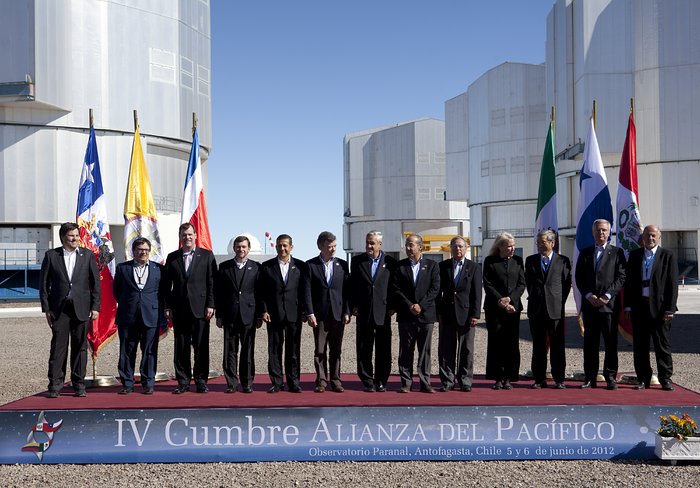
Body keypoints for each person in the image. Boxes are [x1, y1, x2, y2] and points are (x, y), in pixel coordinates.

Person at [40, 222, 101, 398]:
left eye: (76, 235)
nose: (74, 239)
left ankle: (79, 384)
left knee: (80, 347)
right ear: (62, 237)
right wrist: (46, 309)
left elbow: (95, 283)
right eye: (71, 236)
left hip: (82, 309)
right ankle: (55, 385)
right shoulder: (51, 256)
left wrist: (95, 307)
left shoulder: (87, 255)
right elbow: (44, 285)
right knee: (58, 348)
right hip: (59, 310)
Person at [164, 223, 217, 394]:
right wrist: (167, 307)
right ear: (180, 237)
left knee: (201, 346)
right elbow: (166, 286)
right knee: (181, 347)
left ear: (195, 235)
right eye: (184, 235)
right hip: (180, 310)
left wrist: (211, 304)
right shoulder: (172, 258)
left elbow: (212, 283)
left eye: (189, 234)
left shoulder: (207, 256)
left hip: (201, 309)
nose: (187, 237)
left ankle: (201, 380)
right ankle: (183, 381)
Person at [625, 224, 679, 391]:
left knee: (662, 345)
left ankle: (665, 379)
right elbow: (629, 284)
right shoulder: (634, 256)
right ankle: (643, 379)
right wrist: (627, 306)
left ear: (659, 237)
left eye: (653, 236)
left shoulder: (667, 256)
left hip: (660, 309)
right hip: (639, 307)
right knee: (640, 346)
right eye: (647, 235)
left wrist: (670, 309)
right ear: (642, 237)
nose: (650, 238)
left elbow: (672, 284)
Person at [575, 219, 626, 390]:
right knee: (590, 344)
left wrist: (607, 295)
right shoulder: (585, 252)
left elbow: (621, 277)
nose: (601, 233)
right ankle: (590, 378)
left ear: (609, 232)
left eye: (604, 230)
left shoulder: (617, 253)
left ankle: (610, 377)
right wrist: (589, 295)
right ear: (593, 233)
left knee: (611, 343)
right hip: (590, 306)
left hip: (608, 306)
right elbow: (579, 277)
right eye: (598, 230)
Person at [113, 237, 164, 395]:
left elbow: (162, 292)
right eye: (140, 250)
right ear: (133, 252)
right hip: (128, 316)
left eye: (146, 250)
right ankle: (127, 383)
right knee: (127, 350)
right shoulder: (122, 268)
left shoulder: (159, 269)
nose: (143, 253)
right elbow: (117, 292)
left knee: (149, 350)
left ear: (150, 252)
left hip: (151, 315)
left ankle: (148, 382)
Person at [258, 234, 307, 393]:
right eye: (279, 245)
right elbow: (262, 292)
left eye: (285, 245)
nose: (282, 248)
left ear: (291, 247)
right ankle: (277, 382)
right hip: (274, 314)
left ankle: (293, 382)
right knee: (274, 349)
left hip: (294, 313)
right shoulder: (266, 266)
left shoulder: (300, 266)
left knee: (293, 350)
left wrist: (304, 311)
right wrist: (264, 310)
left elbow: (304, 291)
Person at [392, 234, 440, 393]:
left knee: (425, 351)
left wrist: (421, 305)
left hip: (426, 316)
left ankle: (425, 382)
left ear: (420, 247)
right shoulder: (400, 266)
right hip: (406, 315)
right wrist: (410, 305)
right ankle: (406, 382)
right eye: (406, 245)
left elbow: (435, 289)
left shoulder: (432, 266)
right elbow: (396, 289)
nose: (408, 248)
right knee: (405, 350)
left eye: (411, 245)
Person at [524, 230, 571, 389]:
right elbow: (529, 284)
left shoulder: (563, 261)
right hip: (536, 309)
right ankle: (539, 379)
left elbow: (565, 285)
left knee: (558, 346)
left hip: (555, 309)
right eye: (538, 242)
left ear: (552, 243)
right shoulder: (530, 261)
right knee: (538, 346)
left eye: (542, 242)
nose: (539, 245)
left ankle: (559, 379)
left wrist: (557, 301)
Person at [350, 231, 396, 393]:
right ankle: (367, 381)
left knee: (384, 349)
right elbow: (352, 286)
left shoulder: (390, 262)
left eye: (372, 243)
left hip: (383, 312)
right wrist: (353, 305)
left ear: (380, 245)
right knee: (364, 348)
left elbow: (393, 287)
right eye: (367, 242)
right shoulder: (357, 261)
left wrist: (393, 306)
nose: (369, 246)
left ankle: (382, 381)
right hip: (364, 311)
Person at [305, 231, 350, 393]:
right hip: (320, 315)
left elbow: (346, 291)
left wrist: (347, 311)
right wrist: (310, 313)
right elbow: (307, 291)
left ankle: (336, 380)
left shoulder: (343, 265)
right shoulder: (310, 265)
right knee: (320, 349)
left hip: (338, 314)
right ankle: (321, 381)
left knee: (336, 349)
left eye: (335, 246)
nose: (333, 249)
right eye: (329, 246)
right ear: (320, 246)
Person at [215, 235, 260, 394]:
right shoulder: (224, 267)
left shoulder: (256, 267)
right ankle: (232, 383)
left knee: (248, 350)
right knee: (230, 351)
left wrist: (260, 315)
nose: (241, 249)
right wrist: (219, 315)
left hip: (249, 314)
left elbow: (259, 293)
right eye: (238, 246)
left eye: (244, 247)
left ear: (248, 248)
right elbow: (218, 292)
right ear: (234, 248)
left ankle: (247, 382)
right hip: (230, 315)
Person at [436, 236, 482, 392]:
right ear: (450, 248)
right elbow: (438, 292)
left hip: (467, 314)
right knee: (446, 349)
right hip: (447, 314)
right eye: (455, 246)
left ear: (466, 248)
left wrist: (475, 314)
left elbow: (477, 293)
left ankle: (465, 380)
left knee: (466, 349)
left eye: (461, 246)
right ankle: (447, 381)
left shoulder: (474, 267)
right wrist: (438, 313)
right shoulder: (442, 266)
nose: (458, 249)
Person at [482, 232, 525, 390]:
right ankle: (497, 377)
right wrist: (500, 300)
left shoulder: (518, 261)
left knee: (511, 343)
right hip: (494, 308)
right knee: (496, 343)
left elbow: (521, 284)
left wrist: (510, 300)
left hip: (513, 309)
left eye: (513, 245)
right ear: (500, 247)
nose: (512, 248)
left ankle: (509, 376)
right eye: (509, 246)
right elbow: (487, 284)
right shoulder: (490, 261)